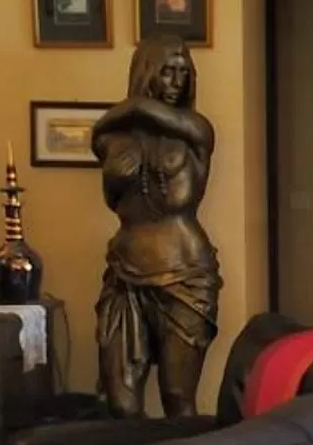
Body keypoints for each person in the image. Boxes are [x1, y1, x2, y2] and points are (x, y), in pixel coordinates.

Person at [91, 35, 220, 419]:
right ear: (147, 72)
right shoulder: (116, 139)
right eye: (167, 71)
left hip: (185, 274)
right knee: (121, 401)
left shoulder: (196, 130)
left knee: (178, 397)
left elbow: (129, 116)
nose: (177, 81)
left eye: (184, 73)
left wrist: (131, 105)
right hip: (125, 274)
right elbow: (111, 192)